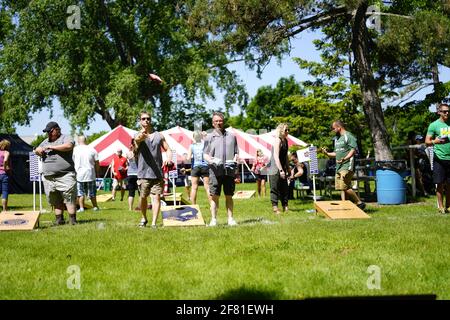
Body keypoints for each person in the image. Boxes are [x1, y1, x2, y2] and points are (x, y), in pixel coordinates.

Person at [134, 111, 173, 228]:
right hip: (143, 172)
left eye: (148, 119)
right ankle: (144, 218)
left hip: (157, 173)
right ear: (140, 121)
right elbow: (135, 146)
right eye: (143, 119)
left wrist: (168, 159)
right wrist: (140, 137)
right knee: (143, 198)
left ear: (151, 120)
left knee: (156, 197)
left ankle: (154, 223)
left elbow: (168, 149)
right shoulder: (137, 135)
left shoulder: (159, 135)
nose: (146, 121)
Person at [34, 121, 78, 225]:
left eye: (50, 131)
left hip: (65, 175)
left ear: (57, 130)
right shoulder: (45, 141)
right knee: (55, 199)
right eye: (47, 132)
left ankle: (73, 220)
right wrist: (38, 150)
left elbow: (69, 146)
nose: (48, 134)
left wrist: (52, 147)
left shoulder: (65, 138)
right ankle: (59, 220)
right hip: (49, 177)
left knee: (69, 198)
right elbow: (36, 149)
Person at [203, 112, 239, 226]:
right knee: (214, 196)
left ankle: (230, 219)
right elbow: (205, 154)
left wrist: (234, 160)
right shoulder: (209, 137)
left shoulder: (232, 136)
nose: (218, 123)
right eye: (216, 121)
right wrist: (211, 160)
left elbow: (236, 153)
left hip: (229, 170)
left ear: (223, 122)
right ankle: (213, 219)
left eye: (220, 121)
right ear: (213, 123)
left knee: (229, 195)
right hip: (214, 170)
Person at [321, 120, 366, 210]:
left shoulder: (348, 136)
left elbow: (353, 150)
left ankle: (359, 202)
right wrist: (327, 153)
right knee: (342, 187)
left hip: (347, 165)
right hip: (339, 166)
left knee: (343, 184)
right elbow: (336, 153)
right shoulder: (337, 139)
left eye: (334, 128)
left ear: (339, 127)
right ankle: (346, 206)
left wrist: (345, 159)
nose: (333, 130)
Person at [425, 103, 450, 214]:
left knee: (449, 184)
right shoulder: (434, 125)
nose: (447, 113)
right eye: (444, 111)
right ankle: (440, 206)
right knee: (439, 184)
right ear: (439, 112)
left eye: (448, 111)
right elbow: (427, 142)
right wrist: (436, 141)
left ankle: (449, 206)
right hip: (439, 158)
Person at [268, 123, 291, 214]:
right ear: (281, 131)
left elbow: (285, 157)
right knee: (275, 187)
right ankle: (275, 208)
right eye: (286, 130)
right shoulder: (277, 140)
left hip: (282, 166)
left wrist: (288, 168)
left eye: (288, 130)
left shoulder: (285, 141)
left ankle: (285, 207)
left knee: (284, 187)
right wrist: (281, 170)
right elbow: (276, 156)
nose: (287, 132)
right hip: (275, 167)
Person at [72, 135, 100, 212]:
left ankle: (81, 208)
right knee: (92, 192)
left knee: (80, 192)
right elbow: (97, 163)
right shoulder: (92, 149)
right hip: (90, 173)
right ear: (86, 140)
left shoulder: (75, 150)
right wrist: (98, 173)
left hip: (79, 174)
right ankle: (95, 207)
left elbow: (72, 162)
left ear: (78, 141)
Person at [186, 131, 210, 205]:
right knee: (207, 187)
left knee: (194, 187)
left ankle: (194, 206)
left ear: (194, 137)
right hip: (205, 166)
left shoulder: (191, 146)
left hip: (195, 167)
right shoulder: (205, 144)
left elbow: (188, 158)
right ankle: (211, 204)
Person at [126, 139, 140, 211]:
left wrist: (130, 149)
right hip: (138, 174)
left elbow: (129, 158)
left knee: (131, 192)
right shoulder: (138, 152)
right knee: (140, 192)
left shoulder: (128, 153)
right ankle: (140, 207)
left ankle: (130, 208)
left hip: (130, 174)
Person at [0, 139, 11, 212]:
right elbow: (5, 160)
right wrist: (5, 167)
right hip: (4, 174)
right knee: (4, 192)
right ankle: (4, 210)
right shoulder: (6, 152)